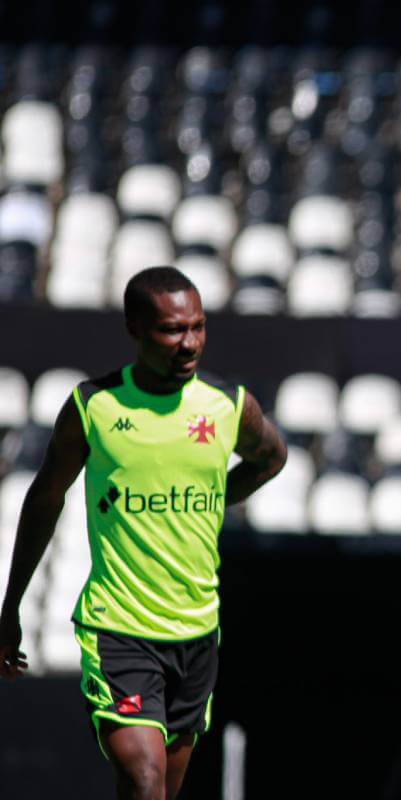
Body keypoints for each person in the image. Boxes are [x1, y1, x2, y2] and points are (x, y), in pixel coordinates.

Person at [0, 266, 287, 800]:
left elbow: (272, 456)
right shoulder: (95, 407)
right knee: (144, 776)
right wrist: (11, 605)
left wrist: (213, 502)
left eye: (198, 327)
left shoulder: (228, 405)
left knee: (159, 792)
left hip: (197, 633)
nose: (190, 343)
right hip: (119, 630)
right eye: (173, 330)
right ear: (135, 328)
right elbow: (45, 501)